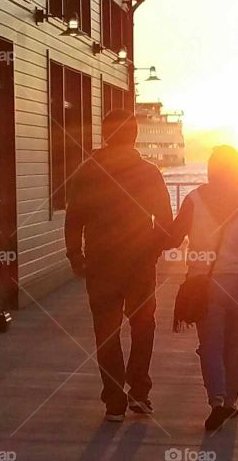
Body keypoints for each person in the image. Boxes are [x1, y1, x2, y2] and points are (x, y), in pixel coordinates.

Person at [65, 108, 173, 422]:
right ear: (135, 135)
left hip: (100, 265)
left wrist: (76, 256)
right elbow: (164, 222)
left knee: (106, 332)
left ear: (105, 135)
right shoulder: (149, 172)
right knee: (143, 326)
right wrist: (153, 250)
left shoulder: (87, 171)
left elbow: (74, 219)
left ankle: (114, 400)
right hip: (139, 264)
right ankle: (139, 391)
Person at [166, 146, 238, 431]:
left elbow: (172, 239)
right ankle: (231, 402)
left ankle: (217, 402)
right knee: (234, 344)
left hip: (207, 281)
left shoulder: (194, 199)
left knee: (210, 344)